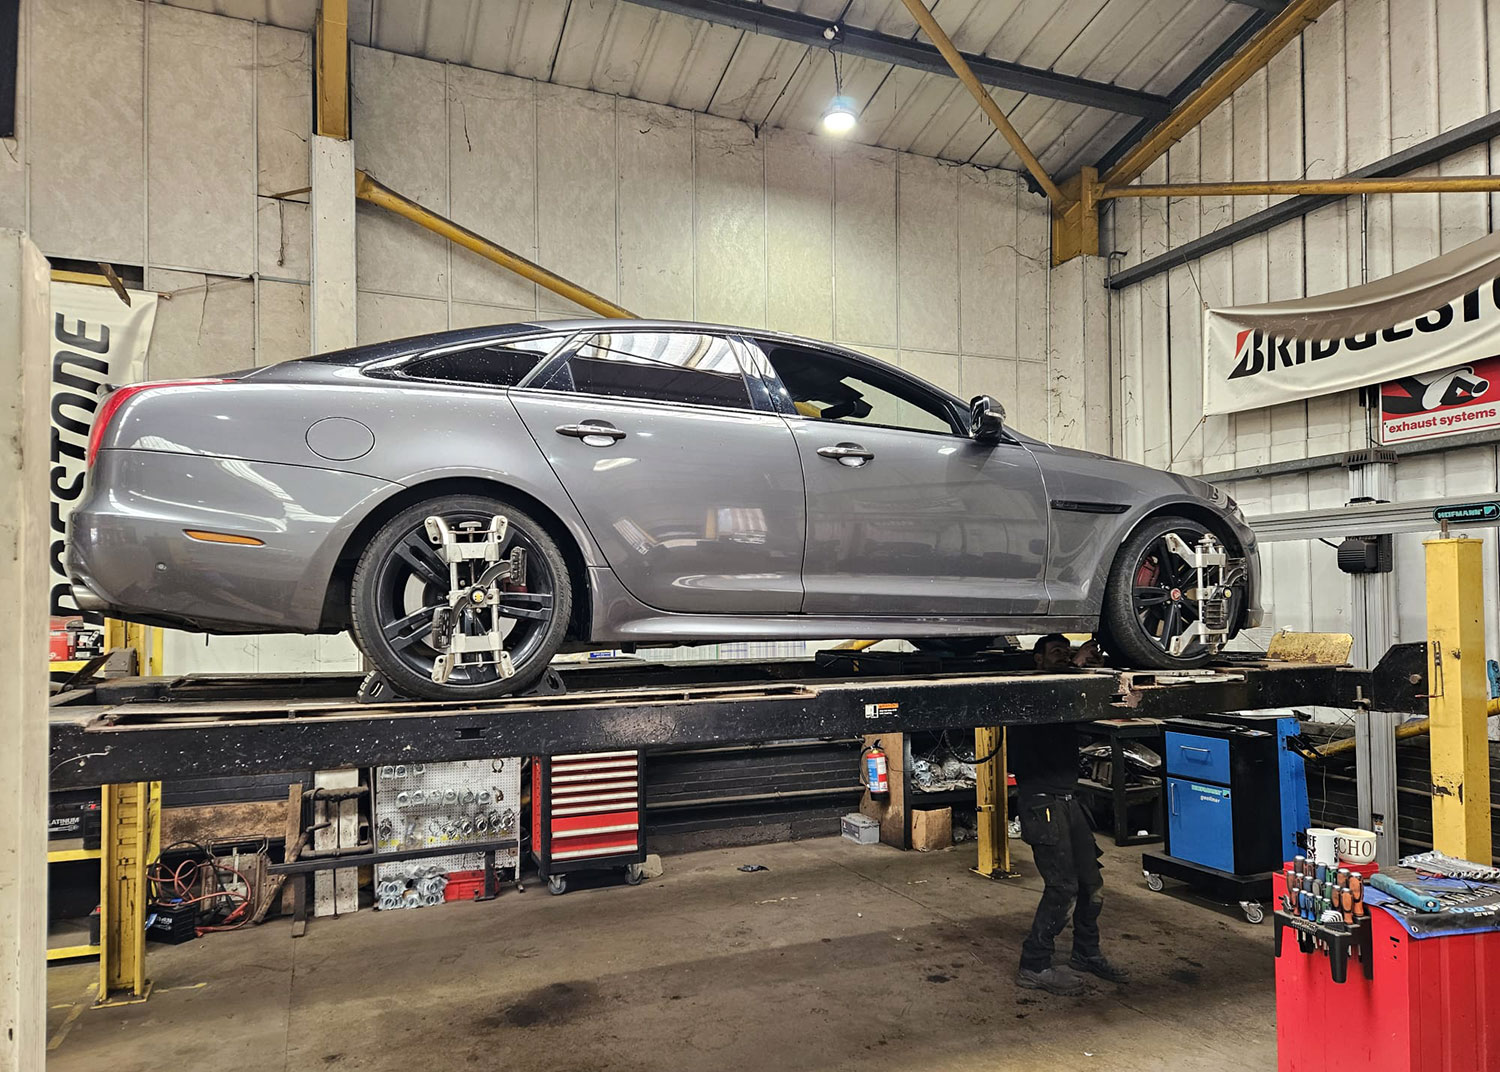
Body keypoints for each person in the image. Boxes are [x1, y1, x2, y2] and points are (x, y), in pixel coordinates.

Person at [1008, 634, 1129, 995]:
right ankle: (1034, 964)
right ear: (1037, 659)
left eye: (1067, 651)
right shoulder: (1027, 691)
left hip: (1067, 800)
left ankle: (1086, 953)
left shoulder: (1065, 687)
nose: (1063, 657)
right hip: (1042, 802)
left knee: (1092, 885)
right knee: (1062, 887)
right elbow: (1048, 697)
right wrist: (1076, 664)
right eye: (1056, 652)